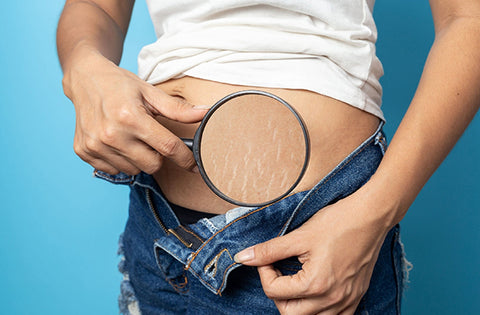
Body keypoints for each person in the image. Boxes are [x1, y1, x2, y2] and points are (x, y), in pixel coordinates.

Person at [56, 0, 480, 314]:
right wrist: (83, 65)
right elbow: (96, 9)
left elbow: (468, 19)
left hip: (312, 231)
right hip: (158, 227)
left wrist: (374, 213)